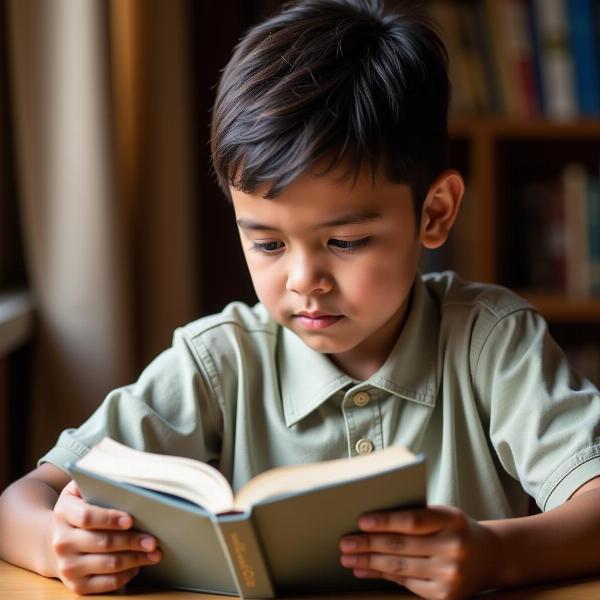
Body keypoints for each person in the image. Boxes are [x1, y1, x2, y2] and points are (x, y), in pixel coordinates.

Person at [2, 0, 600, 598]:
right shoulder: (218, 363)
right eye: (266, 243)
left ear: (434, 212)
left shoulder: (491, 343)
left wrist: (496, 555)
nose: (302, 278)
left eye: (345, 241)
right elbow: (22, 501)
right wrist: (56, 543)